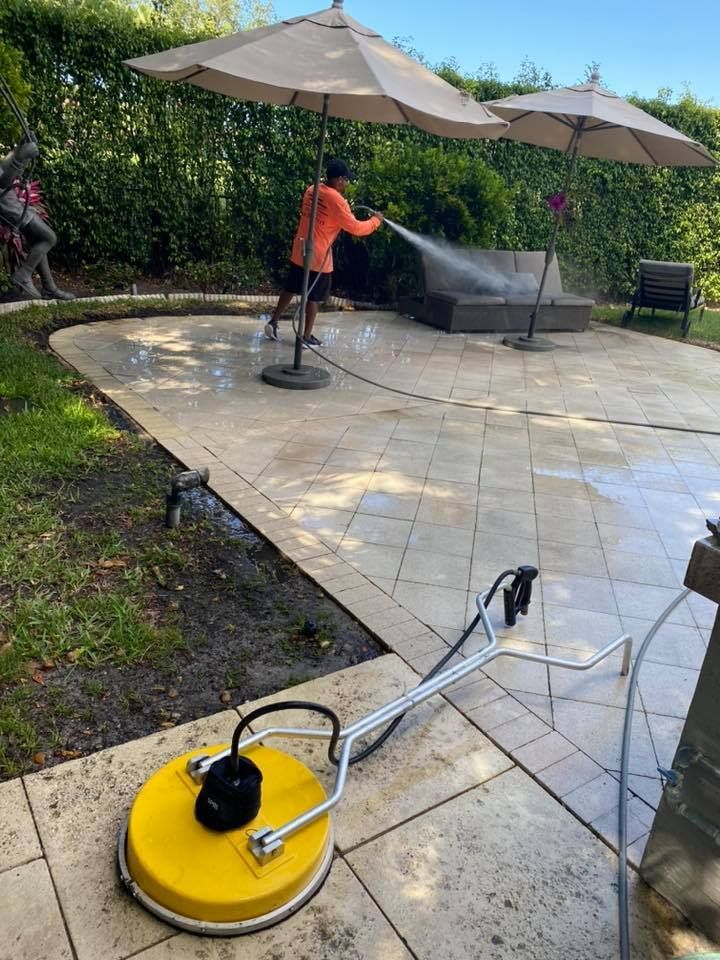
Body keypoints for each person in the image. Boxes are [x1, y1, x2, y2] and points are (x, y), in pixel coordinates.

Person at [264, 159, 383, 345]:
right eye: (345, 180)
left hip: (300, 250)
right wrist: (375, 221)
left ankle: (273, 322)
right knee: (314, 297)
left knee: (290, 287)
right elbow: (357, 228)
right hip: (318, 258)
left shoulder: (312, 190)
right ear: (339, 179)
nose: (346, 183)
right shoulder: (337, 201)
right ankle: (305, 336)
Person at [0, 135, 75, 301]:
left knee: (38, 240)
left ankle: (49, 287)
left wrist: (19, 150)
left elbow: (6, 171)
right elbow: (4, 182)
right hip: (12, 210)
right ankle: (24, 274)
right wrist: (20, 157)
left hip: (15, 206)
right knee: (49, 238)